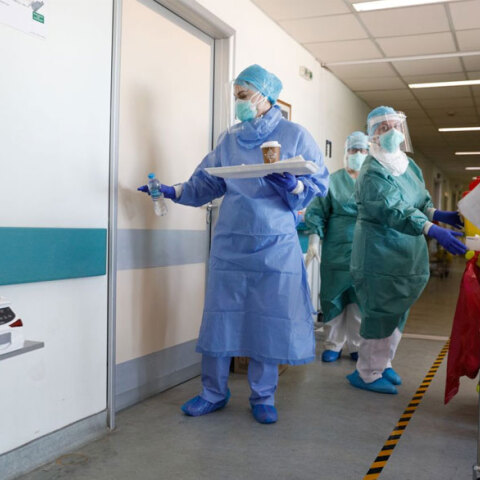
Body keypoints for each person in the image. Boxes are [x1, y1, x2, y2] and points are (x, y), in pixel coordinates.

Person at [138, 64, 329, 423]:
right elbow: (207, 183)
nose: (239, 101)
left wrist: (296, 186)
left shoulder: (295, 135)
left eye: (244, 94)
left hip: (275, 244)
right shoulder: (230, 139)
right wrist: (173, 191)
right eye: (237, 94)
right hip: (231, 244)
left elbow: (317, 185)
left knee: (268, 320)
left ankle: (263, 396)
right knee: (221, 317)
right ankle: (212, 392)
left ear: (265, 96)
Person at [346, 106, 466, 395]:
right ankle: (367, 372)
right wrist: (431, 229)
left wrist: (438, 214)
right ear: (373, 135)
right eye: (383, 127)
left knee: (398, 311)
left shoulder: (408, 165)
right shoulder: (372, 171)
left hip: (407, 255)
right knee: (380, 312)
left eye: (395, 126)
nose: (392, 132)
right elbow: (393, 209)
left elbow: (419, 200)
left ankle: (384, 363)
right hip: (379, 253)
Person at [304, 131, 369, 363]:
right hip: (336, 249)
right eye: (353, 150)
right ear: (345, 153)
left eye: (362, 150)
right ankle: (333, 344)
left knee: (359, 300)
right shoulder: (332, 180)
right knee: (333, 298)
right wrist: (314, 241)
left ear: (369, 153)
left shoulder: (374, 182)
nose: (357, 154)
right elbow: (317, 212)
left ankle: (357, 345)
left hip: (366, 250)